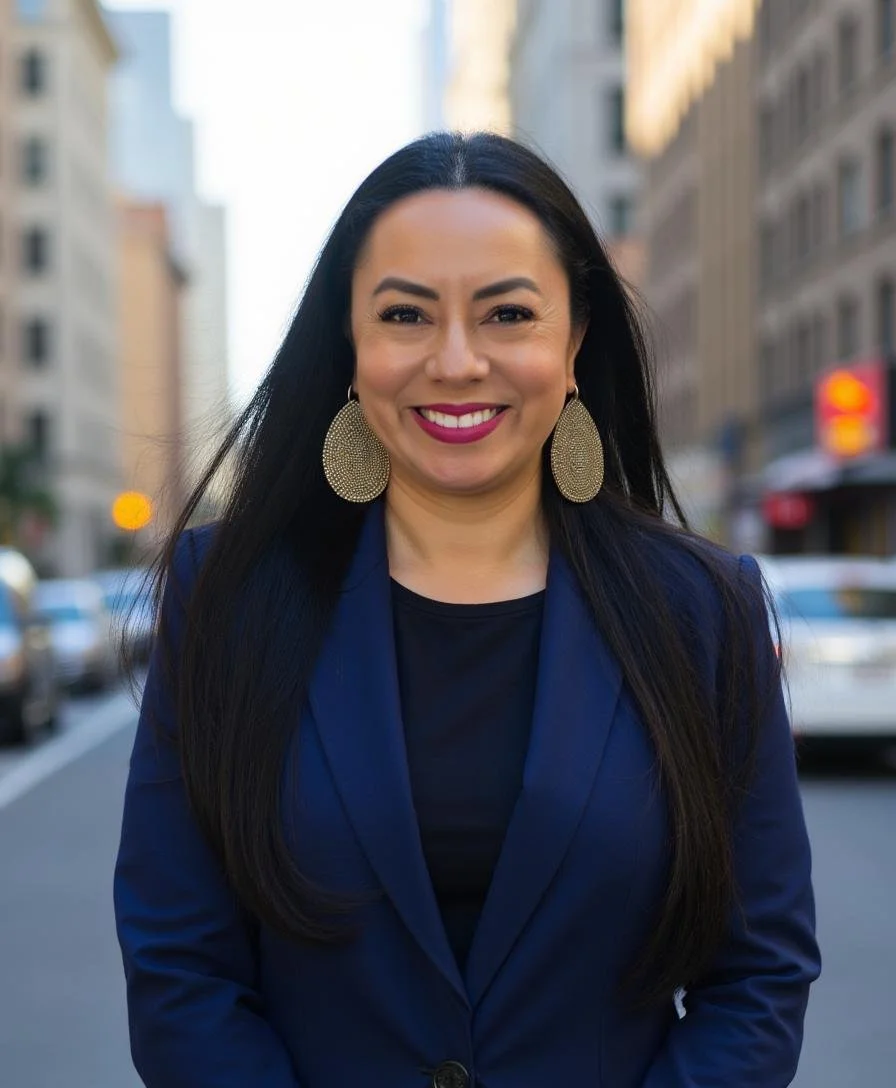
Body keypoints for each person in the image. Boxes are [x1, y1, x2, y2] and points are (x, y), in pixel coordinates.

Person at [113, 131, 820, 1088]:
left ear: (572, 347)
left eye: (508, 315)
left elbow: (759, 976)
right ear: (351, 349)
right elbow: (179, 967)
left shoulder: (704, 612)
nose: (455, 361)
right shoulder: (227, 596)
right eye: (405, 314)